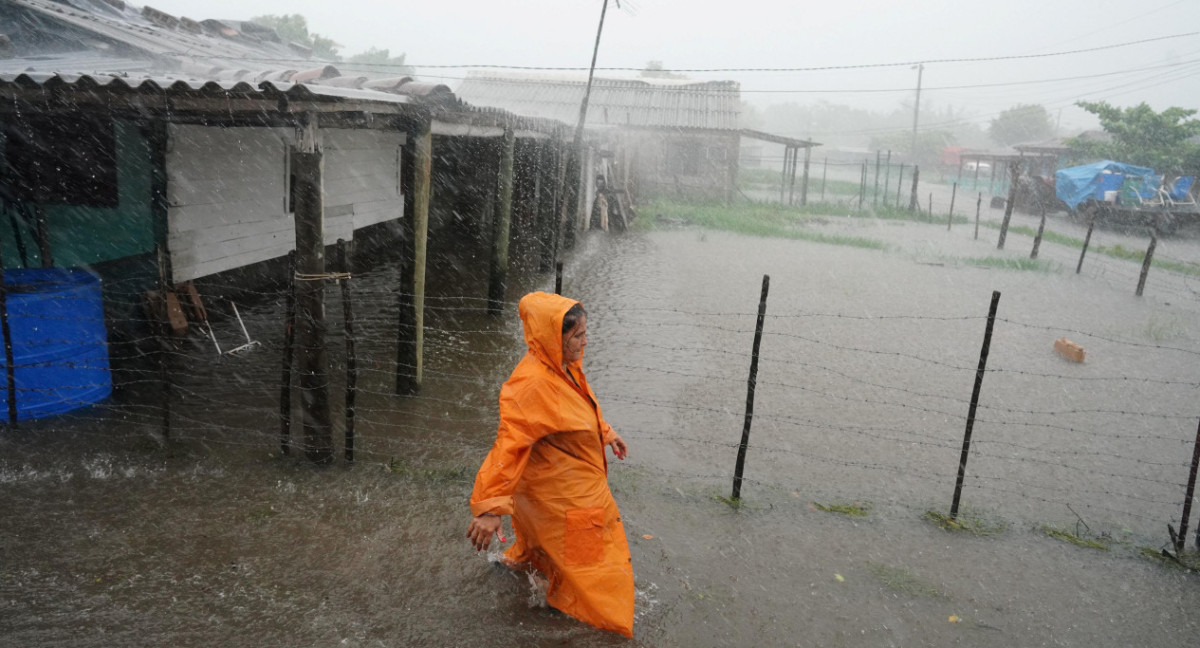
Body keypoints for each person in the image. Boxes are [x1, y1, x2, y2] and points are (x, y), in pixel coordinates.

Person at [466, 291, 634, 637]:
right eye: (578, 336)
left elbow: (577, 409)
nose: (585, 342)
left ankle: (527, 578)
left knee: (555, 552)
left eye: (586, 333)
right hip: (571, 500)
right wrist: (490, 506)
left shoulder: (563, 366)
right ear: (553, 338)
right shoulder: (532, 384)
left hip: (560, 489)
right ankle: (603, 627)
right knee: (595, 572)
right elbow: (508, 447)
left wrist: (605, 432)